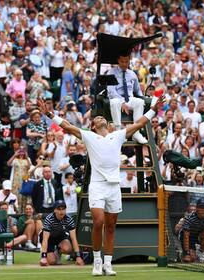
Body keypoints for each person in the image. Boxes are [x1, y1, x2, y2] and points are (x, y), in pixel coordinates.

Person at [37, 95, 164, 276]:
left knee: (111, 226)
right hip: (97, 186)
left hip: (114, 187)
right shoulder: (89, 137)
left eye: (102, 117)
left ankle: (108, 264)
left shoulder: (118, 135)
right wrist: (49, 114)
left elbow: (140, 123)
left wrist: (154, 109)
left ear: (108, 124)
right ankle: (97, 262)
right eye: (97, 118)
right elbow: (67, 126)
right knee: (98, 222)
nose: (101, 118)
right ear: (94, 126)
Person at [107, 50, 147, 144]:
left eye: (126, 62)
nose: (124, 64)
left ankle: (136, 132)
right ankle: (118, 131)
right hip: (117, 98)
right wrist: (122, 102)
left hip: (129, 99)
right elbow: (111, 91)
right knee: (114, 102)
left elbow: (137, 90)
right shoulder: (111, 72)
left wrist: (143, 98)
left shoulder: (132, 74)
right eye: (122, 61)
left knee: (140, 102)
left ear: (129, 61)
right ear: (118, 61)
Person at [39, 200, 84, 266]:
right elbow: (45, 239)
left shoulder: (69, 219)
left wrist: (78, 257)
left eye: (63, 209)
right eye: (59, 209)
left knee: (67, 249)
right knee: (52, 262)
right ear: (55, 210)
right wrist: (44, 257)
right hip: (49, 238)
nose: (61, 211)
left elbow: (74, 238)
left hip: (60, 236)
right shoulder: (49, 219)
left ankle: (57, 252)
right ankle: (43, 252)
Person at [177, 198, 204, 263]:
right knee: (191, 259)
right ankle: (183, 254)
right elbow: (186, 236)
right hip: (188, 237)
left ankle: (199, 253)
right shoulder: (190, 218)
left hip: (198, 235)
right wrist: (187, 253)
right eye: (201, 208)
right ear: (197, 208)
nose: (202, 210)